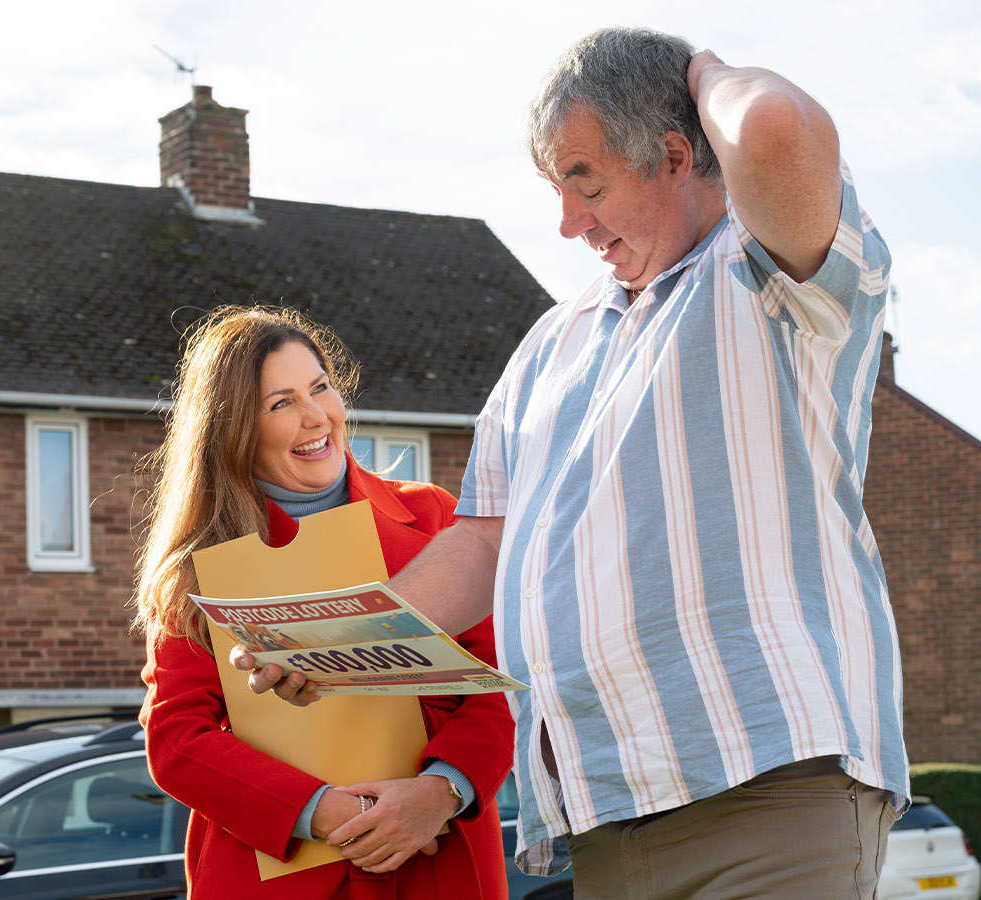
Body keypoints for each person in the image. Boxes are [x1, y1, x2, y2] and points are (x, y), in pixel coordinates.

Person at [241, 27, 910, 900]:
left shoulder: (768, 280)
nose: (567, 223)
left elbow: (778, 124)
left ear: (676, 153)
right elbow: (482, 547)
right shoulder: (551, 344)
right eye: (556, 191)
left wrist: (698, 68)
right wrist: (339, 645)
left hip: (769, 787)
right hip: (602, 819)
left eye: (585, 183)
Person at [134, 306, 513, 899]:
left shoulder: (438, 519)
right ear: (234, 428)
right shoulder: (198, 563)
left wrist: (442, 791)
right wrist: (321, 811)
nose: (317, 417)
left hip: (436, 858)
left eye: (320, 388)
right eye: (280, 403)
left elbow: (503, 683)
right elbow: (176, 735)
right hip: (278, 873)